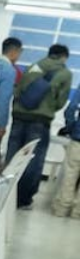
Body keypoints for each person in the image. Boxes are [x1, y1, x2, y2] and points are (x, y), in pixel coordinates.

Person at [7, 43, 73, 209]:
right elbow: (61, 101)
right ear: (64, 57)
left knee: (12, 155)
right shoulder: (65, 73)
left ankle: (5, 194)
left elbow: (18, 90)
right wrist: (49, 106)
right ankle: (23, 199)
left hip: (19, 116)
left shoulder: (32, 67)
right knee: (33, 158)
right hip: (40, 120)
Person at [52, 84, 80, 218]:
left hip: (78, 138)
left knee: (70, 173)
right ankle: (77, 212)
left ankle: (62, 209)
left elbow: (72, 107)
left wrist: (71, 127)